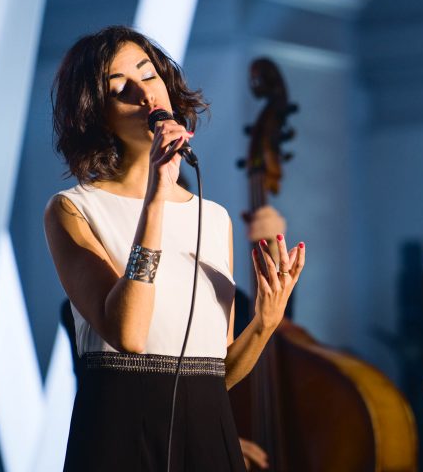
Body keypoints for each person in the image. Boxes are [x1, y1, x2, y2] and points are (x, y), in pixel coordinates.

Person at [44, 25, 305, 471]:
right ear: (96, 113)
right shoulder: (73, 209)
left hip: (208, 438)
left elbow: (212, 376)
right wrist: (155, 199)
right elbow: (128, 334)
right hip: (119, 438)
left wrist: (264, 322)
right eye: (118, 88)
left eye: (148, 75)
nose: (144, 95)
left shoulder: (214, 217)